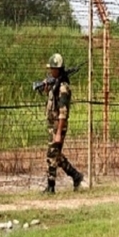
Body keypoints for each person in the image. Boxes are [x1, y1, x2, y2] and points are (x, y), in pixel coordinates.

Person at [41, 53, 83, 193]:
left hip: (59, 125)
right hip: (52, 124)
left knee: (51, 154)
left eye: (53, 68)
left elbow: (63, 112)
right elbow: (53, 103)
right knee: (56, 155)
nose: (50, 71)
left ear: (58, 69)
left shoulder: (63, 87)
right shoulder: (55, 84)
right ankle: (76, 175)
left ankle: (50, 186)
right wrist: (47, 90)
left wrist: (58, 132)